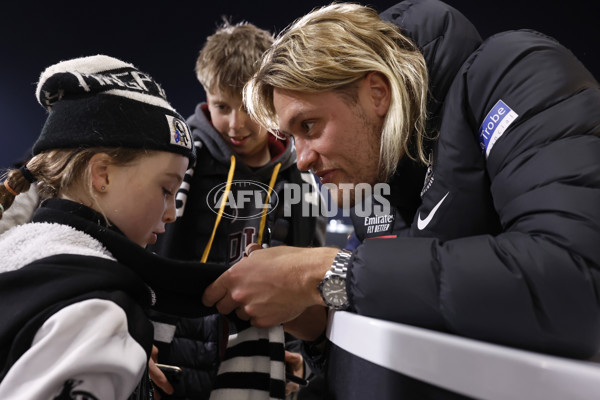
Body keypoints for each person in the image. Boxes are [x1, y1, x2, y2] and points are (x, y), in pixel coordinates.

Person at [201, 0, 600, 398]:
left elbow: (578, 283)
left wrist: (328, 273)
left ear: (376, 93)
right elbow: (407, 343)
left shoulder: (515, 73)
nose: (301, 160)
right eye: (291, 138)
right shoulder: (373, 183)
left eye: (309, 125)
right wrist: (321, 330)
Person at [0, 54, 228, 399]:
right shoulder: (94, 308)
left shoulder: (20, 252)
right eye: (167, 189)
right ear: (102, 173)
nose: (171, 213)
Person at [149, 20, 326, 400]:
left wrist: (296, 351)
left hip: (258, 342)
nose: (236, 123)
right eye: (221, 106)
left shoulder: (299, 174)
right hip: (175, 343)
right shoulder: (178, 159)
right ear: (205, 98)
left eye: (247, 105)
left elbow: (303, 266)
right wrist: (133, 332)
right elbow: (140, 249)